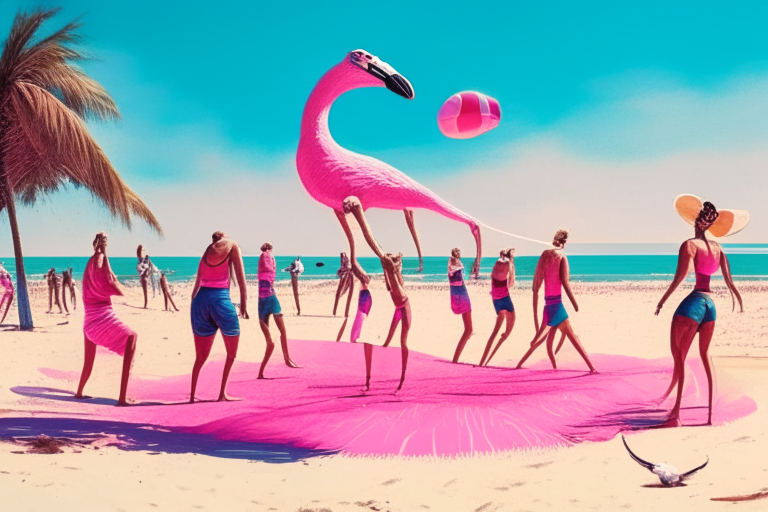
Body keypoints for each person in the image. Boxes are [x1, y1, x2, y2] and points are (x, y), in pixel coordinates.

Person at [655, 200, 743, 427]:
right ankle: (710, 417)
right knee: (705, 358)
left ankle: (675, 416)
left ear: (695, 221)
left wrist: (662, 301)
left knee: (679, 357)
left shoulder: (690, 245)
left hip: (693, 304)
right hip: (710, 305)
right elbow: (730, 281)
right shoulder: (717, 248)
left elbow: (679, 278)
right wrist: (736, 297)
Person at [343, 197, 410, 391]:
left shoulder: (393, 274)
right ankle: (368, 379)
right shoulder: (389, 276)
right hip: (397, 304)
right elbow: (384, 266)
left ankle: (401, 380)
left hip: (404, 307)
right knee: (377, 341)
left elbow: (381, 253)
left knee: (403, 342)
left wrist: (358, 213)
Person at [516, 230, 596, 372]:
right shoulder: (562, 256)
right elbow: (565, 283)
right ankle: (591, 368)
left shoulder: (544, 255)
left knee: (540, 340)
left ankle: (519, 364)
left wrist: (535, 320)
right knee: (573, 337)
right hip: (557, 306)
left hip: (548, 306)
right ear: (565, 242)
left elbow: (536, 287)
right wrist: (574, 303)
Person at [76, 232, 137, 406]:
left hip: (88, 323)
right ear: (103, 243)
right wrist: (103, 253)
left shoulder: (89, 263)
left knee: (88, 361)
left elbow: (99, 275)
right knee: (132, 337)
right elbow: (107, 277)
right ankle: (122, 397)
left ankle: (79, 392)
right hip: (101, 318)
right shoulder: (99, 258)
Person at [189, 231, 248, 402]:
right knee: (231, 353)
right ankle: (222, 393)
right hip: (220, 300)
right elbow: (241, 278)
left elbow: (197, 284)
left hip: (200, 302)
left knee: (200, 357)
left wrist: (194, 307)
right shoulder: (232, 245)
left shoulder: (206, 252)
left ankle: (192, 395)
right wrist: (244, 302)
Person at [257, 242, 298, 379]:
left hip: (262, 302)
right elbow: (270, 272)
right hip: (270, 299)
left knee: (271, 340)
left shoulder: (262, 258)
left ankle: (262, 371)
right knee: (282, 332)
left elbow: (267, 274)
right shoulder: (267, 257)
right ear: (269, 249)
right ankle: (286, 360)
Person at [479, 248, 517, 366]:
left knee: (494, 333)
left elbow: (496, 277)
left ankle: (482, 362)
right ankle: (489, 359)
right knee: (506, 333)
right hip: (505, 299)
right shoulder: (508, 264)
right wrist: (512, 261)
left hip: (496, 301)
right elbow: (511, 283)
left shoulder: (497, 263)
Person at [447, 248, 473, 363]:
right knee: (468, 330)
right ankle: (455, 360)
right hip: (462, 297)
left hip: (455, 298)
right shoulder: (457, 267)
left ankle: (455, 359)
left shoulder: (451, 268)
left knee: (468, 330)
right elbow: (461, 278)